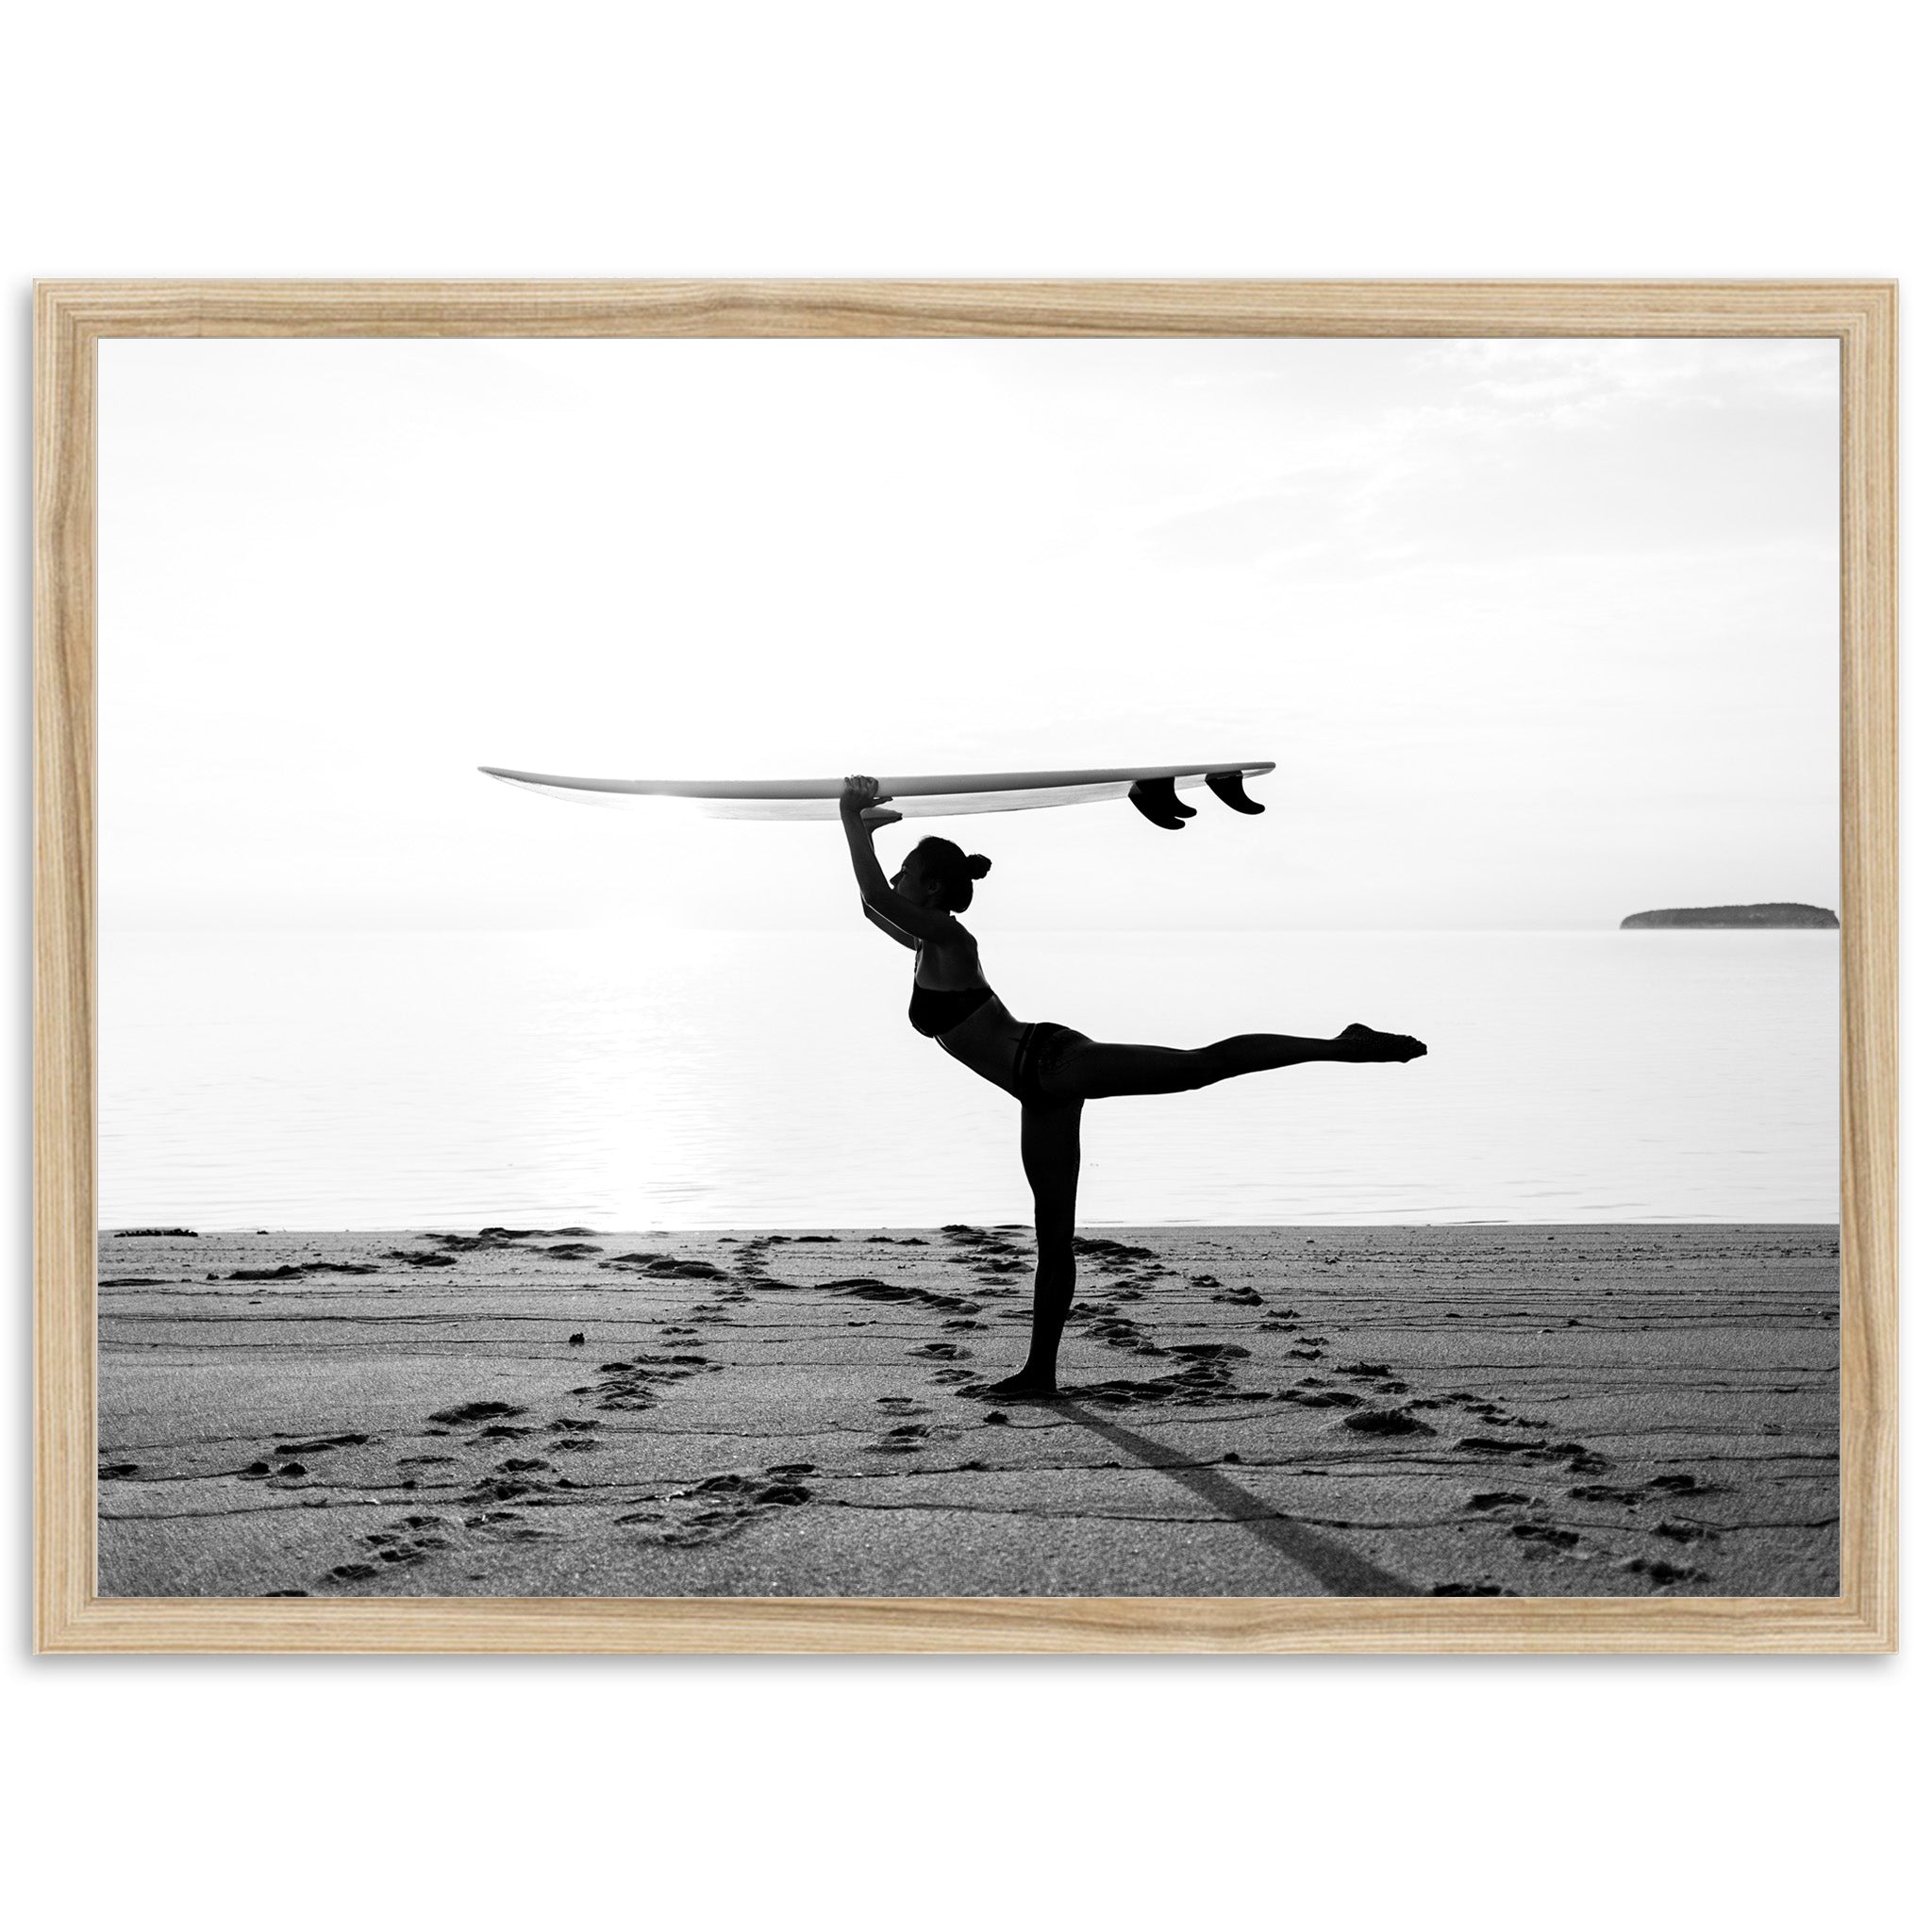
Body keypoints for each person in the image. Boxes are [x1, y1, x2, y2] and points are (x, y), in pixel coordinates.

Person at [838, 774, 1425, 1398]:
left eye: (907, 871)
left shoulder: (952, 939)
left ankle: (1343, 1044)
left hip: (1055, 1064)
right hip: (1036, 1092)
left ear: (929, 886)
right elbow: (872, 902)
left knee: (1198, 1066)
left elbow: (877, 891)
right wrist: (864, 830)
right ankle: (1040, 1373)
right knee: (1053, 1233)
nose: (896, 879)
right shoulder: (927, 942)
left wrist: (851, 816)